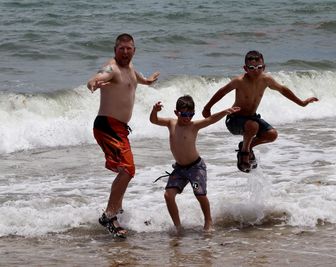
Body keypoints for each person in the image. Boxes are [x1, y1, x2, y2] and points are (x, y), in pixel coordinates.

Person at [87, 33, 160, 238]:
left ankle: (115, 211)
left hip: (118, 128)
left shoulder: (131, 70)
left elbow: (139, 80)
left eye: (129, 49)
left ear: (134, 50)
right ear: (115, 50)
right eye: (121, 49)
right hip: (107, 126)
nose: (125, 52)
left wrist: (149, 81)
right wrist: (93, 83)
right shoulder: (113, 68)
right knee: (128, 169)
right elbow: (97, 77)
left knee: (125, 170)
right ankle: (109, 215)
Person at [202, 50, 318, 173]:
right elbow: (222, 91)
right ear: (245, 68)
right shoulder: (239, 81)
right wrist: (207, 108)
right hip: (234, 119)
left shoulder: (266, 80)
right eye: (251, 67)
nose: (256, 70)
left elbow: (283, 90)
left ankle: (246, 146)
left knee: (272, 134)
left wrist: (302, 103)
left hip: (252, 118)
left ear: (264, 67)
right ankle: (244, 154)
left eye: (259, 67)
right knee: (253, 125)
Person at [150, 95, 240, 232]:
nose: (187, 118)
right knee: (168, 195)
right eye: (184, 114)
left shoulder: (194, 126)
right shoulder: (171, 123)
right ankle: (178, 226)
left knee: (199, 193)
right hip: (179, 169)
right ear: (176, 112)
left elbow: (210, 119)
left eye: (191, 114)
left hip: (196, 168)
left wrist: (225, 112)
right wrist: (155, 110)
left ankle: (208, 221)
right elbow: (154, 120)